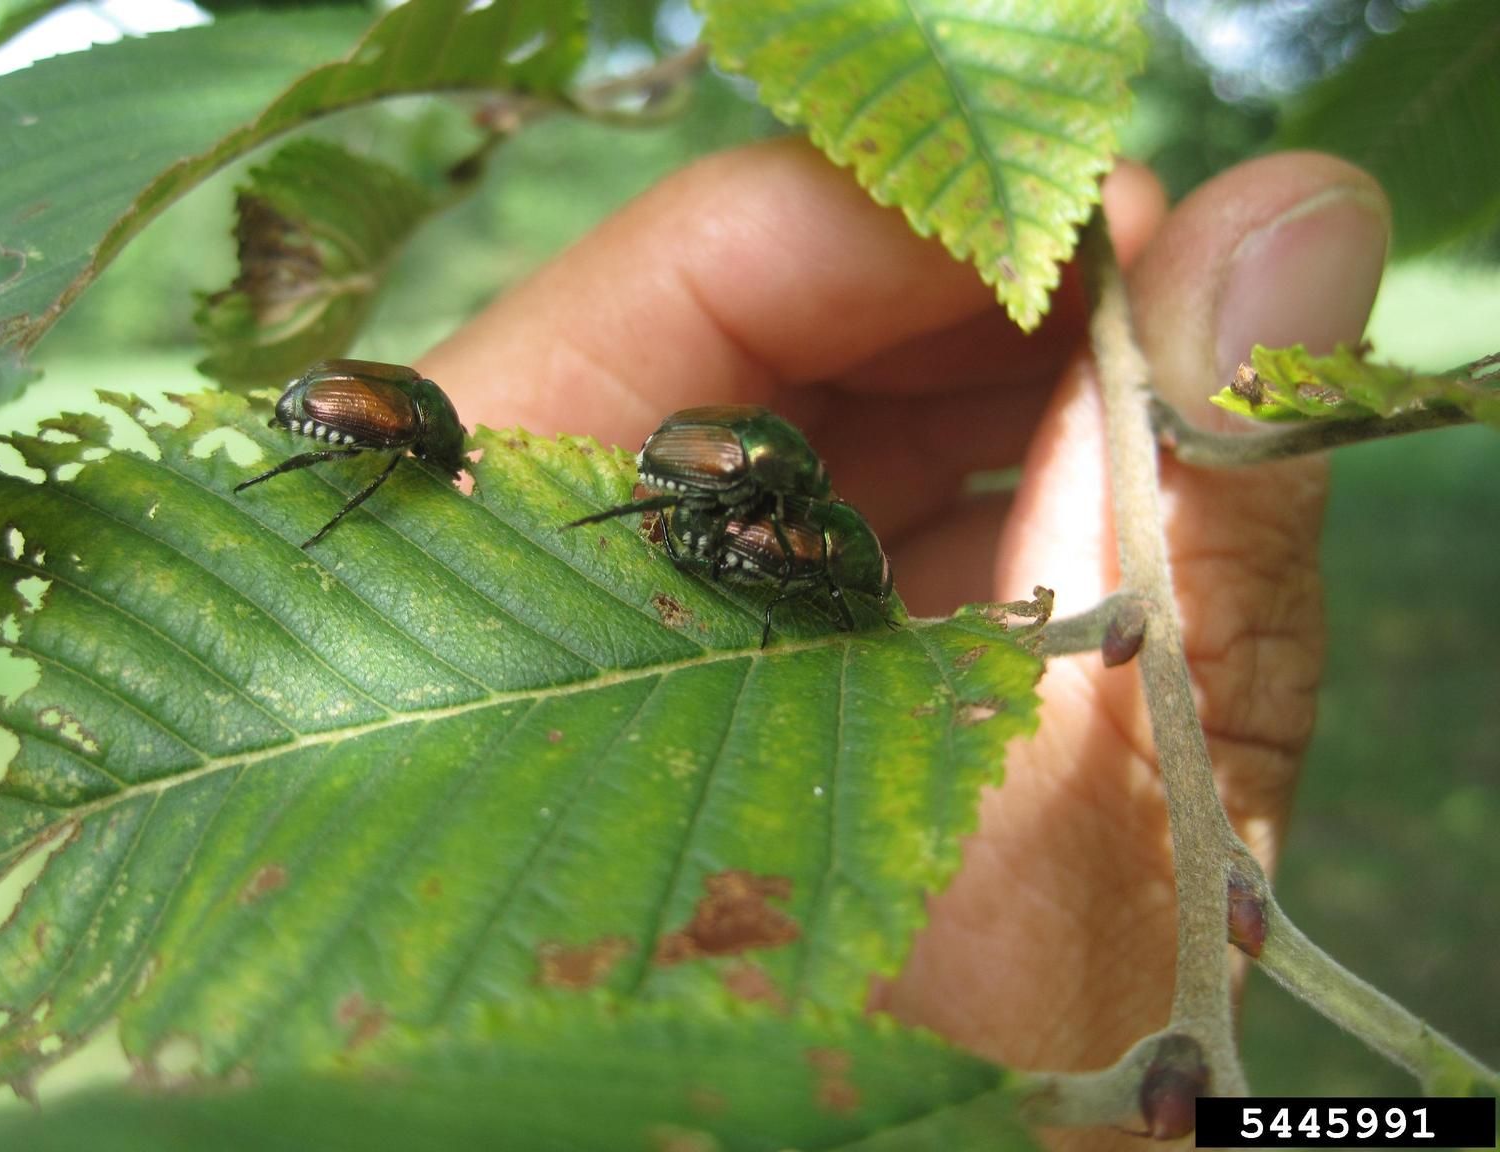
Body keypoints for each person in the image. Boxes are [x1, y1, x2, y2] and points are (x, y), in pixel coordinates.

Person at [418, 140, 1389, 1144]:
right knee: (740, 549)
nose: (805, 501)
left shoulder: (791, 491)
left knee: (767, 559)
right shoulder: (745, 474)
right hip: (687, 470)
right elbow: (725, 500)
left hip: (723, 493)